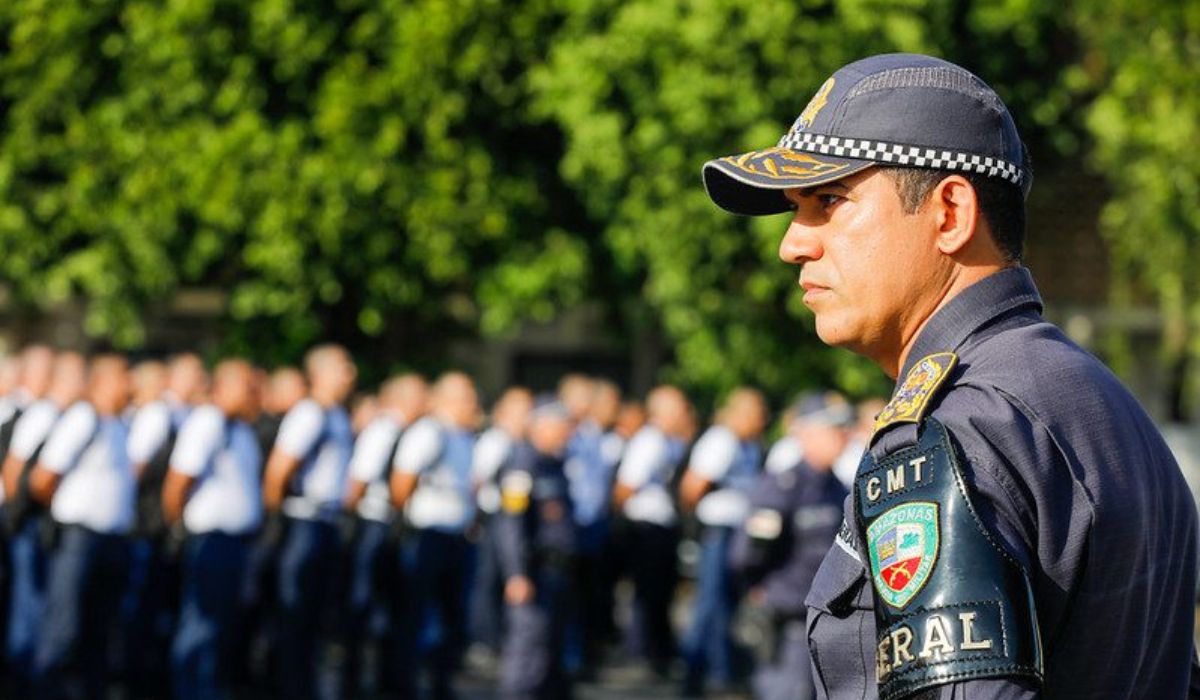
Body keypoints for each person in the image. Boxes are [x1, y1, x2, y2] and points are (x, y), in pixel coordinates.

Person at [702, 52, 1198, 698]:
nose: (792, 243)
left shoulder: (951, 432)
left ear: (950, 214)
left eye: (828, 200)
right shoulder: (1107, 407)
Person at [728, 393, 851, 700]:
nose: (842, 437)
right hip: (787, 619)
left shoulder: (837, 487)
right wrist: (759, 589)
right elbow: (748, 553)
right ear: (806, 435)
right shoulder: (783, 485)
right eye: (832, 429)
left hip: (827, 620)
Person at [28, 355, 134, 699]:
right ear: (101, 381)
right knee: (63, 627)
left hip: (111, 540)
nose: (129, 384)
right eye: (122, 377)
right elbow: (43, 478)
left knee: (99, 631)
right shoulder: (82, 417)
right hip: (78, 538)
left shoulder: (117, 424)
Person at [161, 359, 264, 700]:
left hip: (237, 542)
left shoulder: (242, 429)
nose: (255, 395)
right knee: (200, 628)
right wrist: (178, 529)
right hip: (210, 540)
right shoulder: (208, 421)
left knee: (223, 628)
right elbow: (177, 484)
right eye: (247, 387)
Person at [261, 344, 357, 700]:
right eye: (342, 368)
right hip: (304, 521)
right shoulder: (310, 413)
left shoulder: (336, 414)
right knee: (294, 615)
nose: (350, 375)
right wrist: (278, 521)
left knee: (315, 617)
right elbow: (278, 471)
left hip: (327, 522)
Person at [390, 371, 480, 699]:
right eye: (466, 397)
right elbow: (402, 483)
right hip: (427, 535)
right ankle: (406, 685)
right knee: (415, 615)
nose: (473, 404)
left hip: (456, 536)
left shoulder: (465, 435)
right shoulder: (429, 431)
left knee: (450, 615)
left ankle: (440, 682)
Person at [0, 351, 84, 694]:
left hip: (29, 521)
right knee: (27, 602)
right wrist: (16, 515)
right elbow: (16, 471)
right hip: (23, 520)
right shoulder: (37, 414)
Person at [341, 373, 429, 696]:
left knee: (393, 608)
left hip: (392, 526)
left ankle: (385, 680)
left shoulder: (413, 432)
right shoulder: (382, 431)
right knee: (362, 604)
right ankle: (351, 681)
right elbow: (358, 482)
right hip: (373, 524)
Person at [677, 387, 768, 695]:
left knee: (727, 606)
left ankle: (720, 672)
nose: (762, 422)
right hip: (717, 530)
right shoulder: (721, 441)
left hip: (737, 532)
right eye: (757, 415)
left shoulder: (750, 445)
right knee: (708, 604)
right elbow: (692, 487)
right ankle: (692, 676)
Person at [495, 399, 578, 700]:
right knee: (528, 651)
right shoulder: (523, 464)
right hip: (535, 571)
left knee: (552, 654)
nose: (568, 434)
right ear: (541, 427)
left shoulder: (555, 464)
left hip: (558, 571)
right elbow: (511, 524)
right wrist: (516, 573)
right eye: (562, 427)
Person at [612, 385, 693, 675]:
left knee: (661, 593)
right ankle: (642, 653)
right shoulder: (649, 441)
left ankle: (657, 652)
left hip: (663, 526)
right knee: (648, 593)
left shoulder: (669, 441)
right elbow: (625, 487)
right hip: (647, 526)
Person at [468, 386, 533, 659]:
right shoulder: (495, 441)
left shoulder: (522, 443)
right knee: (488, 579)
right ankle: (483, 639)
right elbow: (477, 481)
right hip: (494, 517)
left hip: (515, 517)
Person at [564, 379, 623, 671]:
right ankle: (573, 658)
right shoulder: (575, 436)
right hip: (577, 527)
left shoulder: (602, 438)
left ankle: (586, 655)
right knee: (574, 598)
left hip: (597, 528)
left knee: (594, 596)